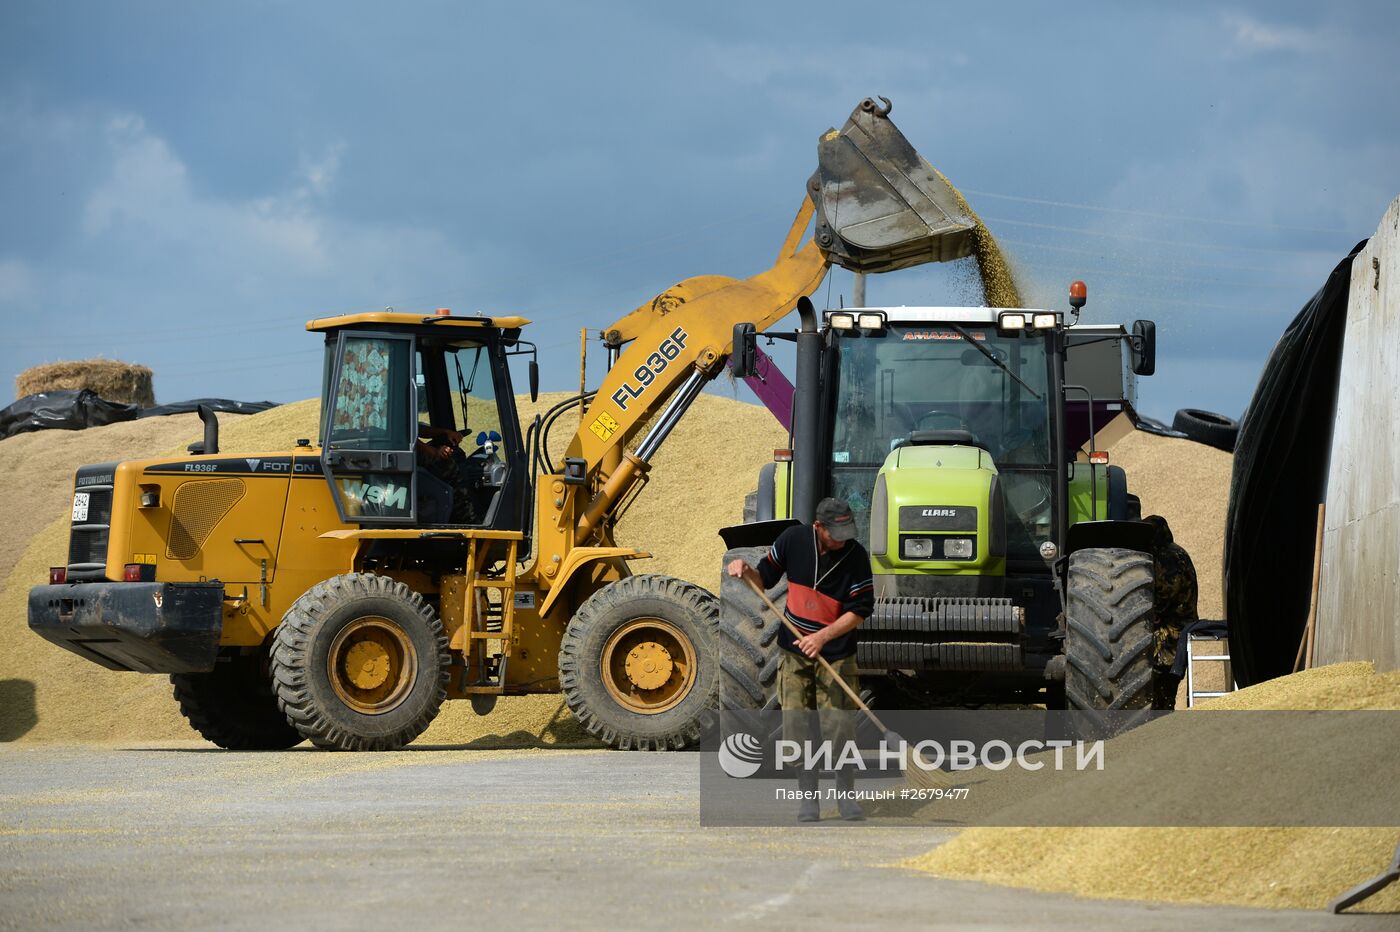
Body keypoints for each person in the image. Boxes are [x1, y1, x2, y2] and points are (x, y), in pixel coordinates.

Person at [726, 497, 874, 822]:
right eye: (837, 532)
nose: (843, 538)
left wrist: (822, 637)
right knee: (796, 726)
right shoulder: (793, 540)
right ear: (819, 528)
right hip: (794, 653)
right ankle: (809, 799)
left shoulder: (855, 557)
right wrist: (745, 570)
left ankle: (846, 796)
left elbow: (860, 610)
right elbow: (764, 578)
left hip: (836, 654)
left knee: (839, 727)